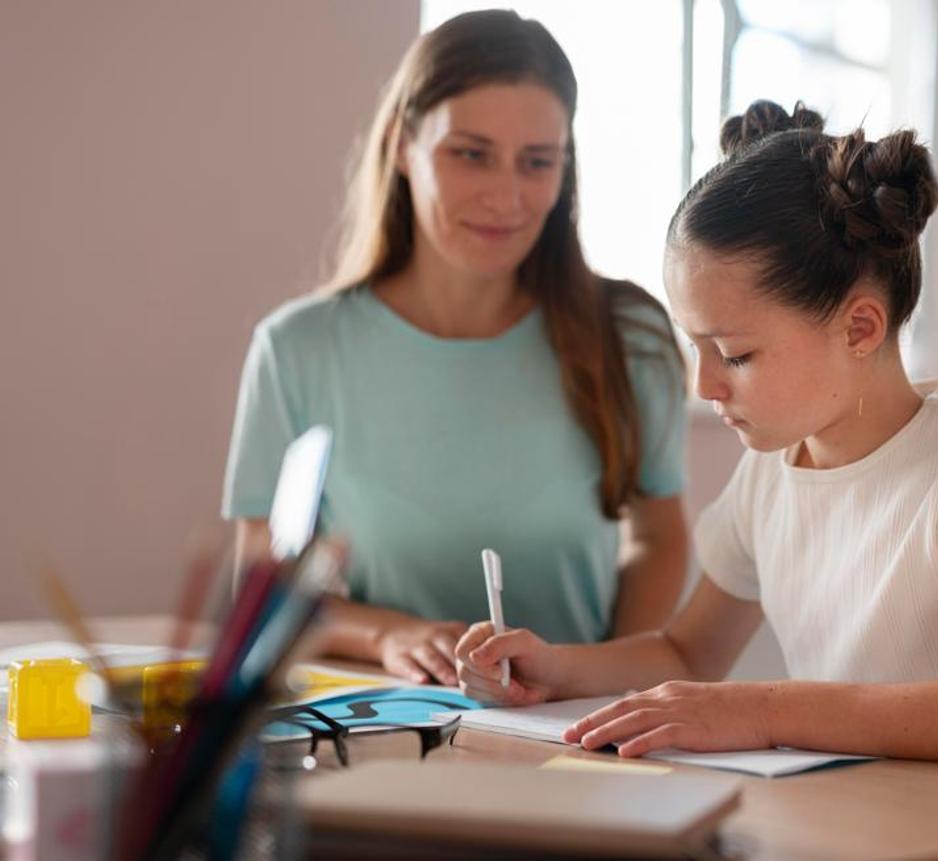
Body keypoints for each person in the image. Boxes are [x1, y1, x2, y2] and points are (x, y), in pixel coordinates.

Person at [455, 100, 938, 778]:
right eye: (697, 348)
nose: (707, 384)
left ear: (860, 329)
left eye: (736, 354)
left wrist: (768, 709)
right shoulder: (770, 472)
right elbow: (688, 654)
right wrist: (554, 667)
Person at [222, 11, 688, 685]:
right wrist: (390, 635)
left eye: (537, 162)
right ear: (403, 147)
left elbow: (659, 536)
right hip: (372, 733)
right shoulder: (295, 349)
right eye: (470, 153)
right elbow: (262, 585)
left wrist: (595, 678)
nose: (506, 195)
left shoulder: (631, 336)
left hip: (574, 736)